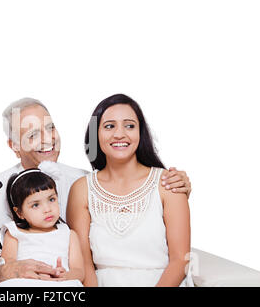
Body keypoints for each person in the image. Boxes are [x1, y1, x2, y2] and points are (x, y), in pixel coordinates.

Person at [0, 97, 192, 286]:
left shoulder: (81, 180)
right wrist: (6, 272)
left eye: (50, 128)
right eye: (33, 134)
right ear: (14, 145)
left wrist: (176, 188)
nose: (48, 139)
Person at [67, 94, 193, 287]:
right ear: (95, 134)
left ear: (140, 133)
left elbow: (180, 260)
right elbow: (84, 264)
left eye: (129, 125)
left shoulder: (168, 183)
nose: (119, 134)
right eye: (109, 126)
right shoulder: (82, 189)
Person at [0, 169, 84, 287]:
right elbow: (8, 267)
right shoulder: (14, 233)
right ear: (19, 213)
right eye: (35, 205)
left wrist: (66, 275)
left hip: (59, 284)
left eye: (51, 199)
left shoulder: (69, 234)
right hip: (25, 282)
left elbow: (79, 271)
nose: (47, 209)